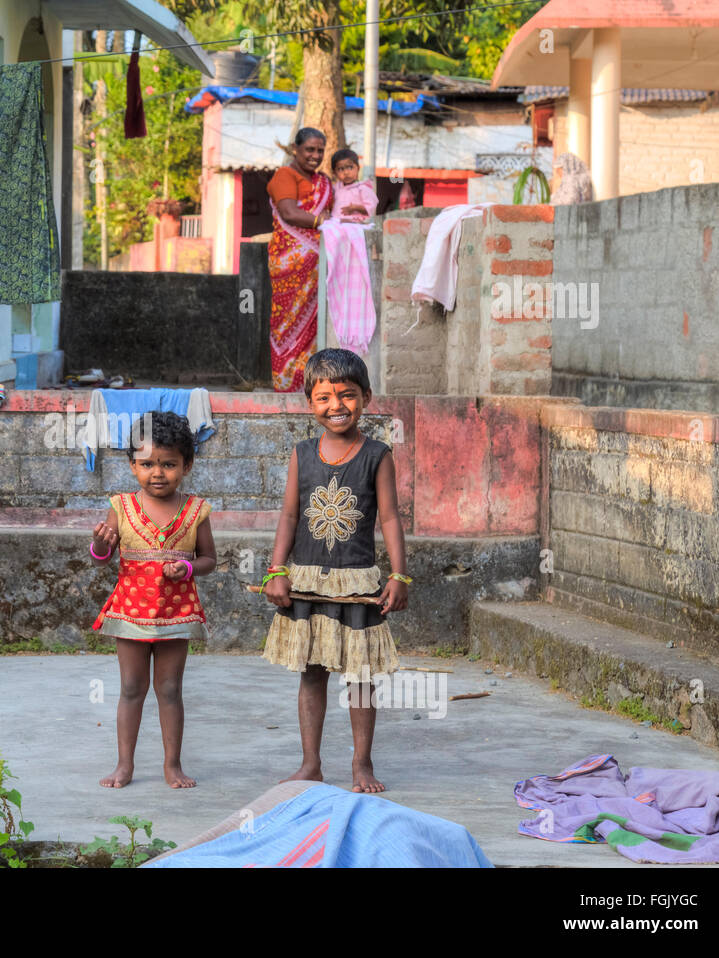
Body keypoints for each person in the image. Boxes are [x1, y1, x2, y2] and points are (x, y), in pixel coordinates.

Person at [261, 348, 409, 793]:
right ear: (310, 402)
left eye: (346, 395)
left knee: (360, 675)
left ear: (365, 397)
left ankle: (361, 763)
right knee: (311, 673)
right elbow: (289, 517)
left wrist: (399, 575)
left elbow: (389, 519)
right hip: (306, 578)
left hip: (357, 582)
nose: (336, 406)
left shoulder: (377, 455)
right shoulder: (302, 453)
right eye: (324, 397)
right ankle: (311, 764)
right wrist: (275, 570)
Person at [90, 411, 216, 789]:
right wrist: (99, 543)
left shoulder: (196, 511)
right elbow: (101, 555)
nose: (157, 473)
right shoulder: (121, 507)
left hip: (176, 614)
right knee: (131, 688)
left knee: (170, 689)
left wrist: (189, 569)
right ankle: (124, 765)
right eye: (146, 464)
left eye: (168, 464)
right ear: (132, 465)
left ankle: (172, 765)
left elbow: (209, 558)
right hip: (130, 613)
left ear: (187, 465)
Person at [266, 127, 335, 393]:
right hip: (290, 263)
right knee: (287, 324)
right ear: (295, 149)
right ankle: (286, 384)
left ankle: (312, 382)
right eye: (309, 149)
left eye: (320, 150)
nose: (315, 155)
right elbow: (289, 212)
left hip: (321, 262)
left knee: (317, 324)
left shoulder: (324, 182)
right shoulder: (285, 175)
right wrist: (322, 221)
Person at [328, 148, 378, 224]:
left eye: (350, 167)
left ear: (358, 168)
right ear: (334, 173)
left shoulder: (362, 188)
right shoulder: (335, 188)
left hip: (354, 225)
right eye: (341, 169)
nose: (346, 172)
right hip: (335, 224)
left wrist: (356, 208)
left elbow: (371, 207)